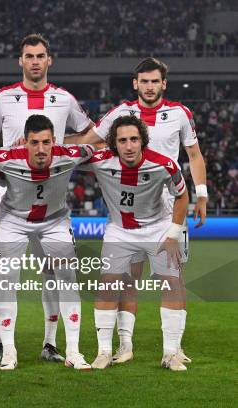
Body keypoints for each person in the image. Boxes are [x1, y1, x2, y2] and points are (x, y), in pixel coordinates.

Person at [66, 57, 206, 364]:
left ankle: (173, 349)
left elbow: (194, 154)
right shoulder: (120, 114)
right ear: (136, 84)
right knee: (125, 279)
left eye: (155, 81)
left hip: (167, 204)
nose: (150, 86)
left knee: (172, 277)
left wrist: (202, 194)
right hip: (123, 203)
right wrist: (47, 144)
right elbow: (87, 142)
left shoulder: (179, 114)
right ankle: (123, 346)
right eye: (144, 81)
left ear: (163, 84)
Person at [0, 33, 94, 363]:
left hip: (53, 192)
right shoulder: (4, 97)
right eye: (28, 55)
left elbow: (91, 134)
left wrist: (60, 144)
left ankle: (53, 344)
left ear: (49, 60)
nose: (34, 61)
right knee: (5, 274)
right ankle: (3, 344)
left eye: (40, 55)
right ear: (20, 60)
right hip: (12, 191)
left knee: (57, 272)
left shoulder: (63, 99)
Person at [81, 115, 190, 371]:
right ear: (113, 144)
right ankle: (105, 352)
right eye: (122, 141)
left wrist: (173, 234)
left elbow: (182, 196)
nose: (129, 146)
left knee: (171, 283)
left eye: (134, 139)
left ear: (143, 141)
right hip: (119, 230)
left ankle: (171, 354)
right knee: (109, 284)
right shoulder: (99, 160)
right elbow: (64, 155)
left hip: (158, 228)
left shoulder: (164, 164)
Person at [0, 114, 94, 370]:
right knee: (7, 280)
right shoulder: (4, 157)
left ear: (54, 140)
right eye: (34, 142)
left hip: (55, 221)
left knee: (67, 277)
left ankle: (72, 351)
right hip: (13, 221)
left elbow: (95, 146)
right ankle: (9, 352)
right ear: (24, 141)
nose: (40, 149)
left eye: (46, 142)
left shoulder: (69, 153)